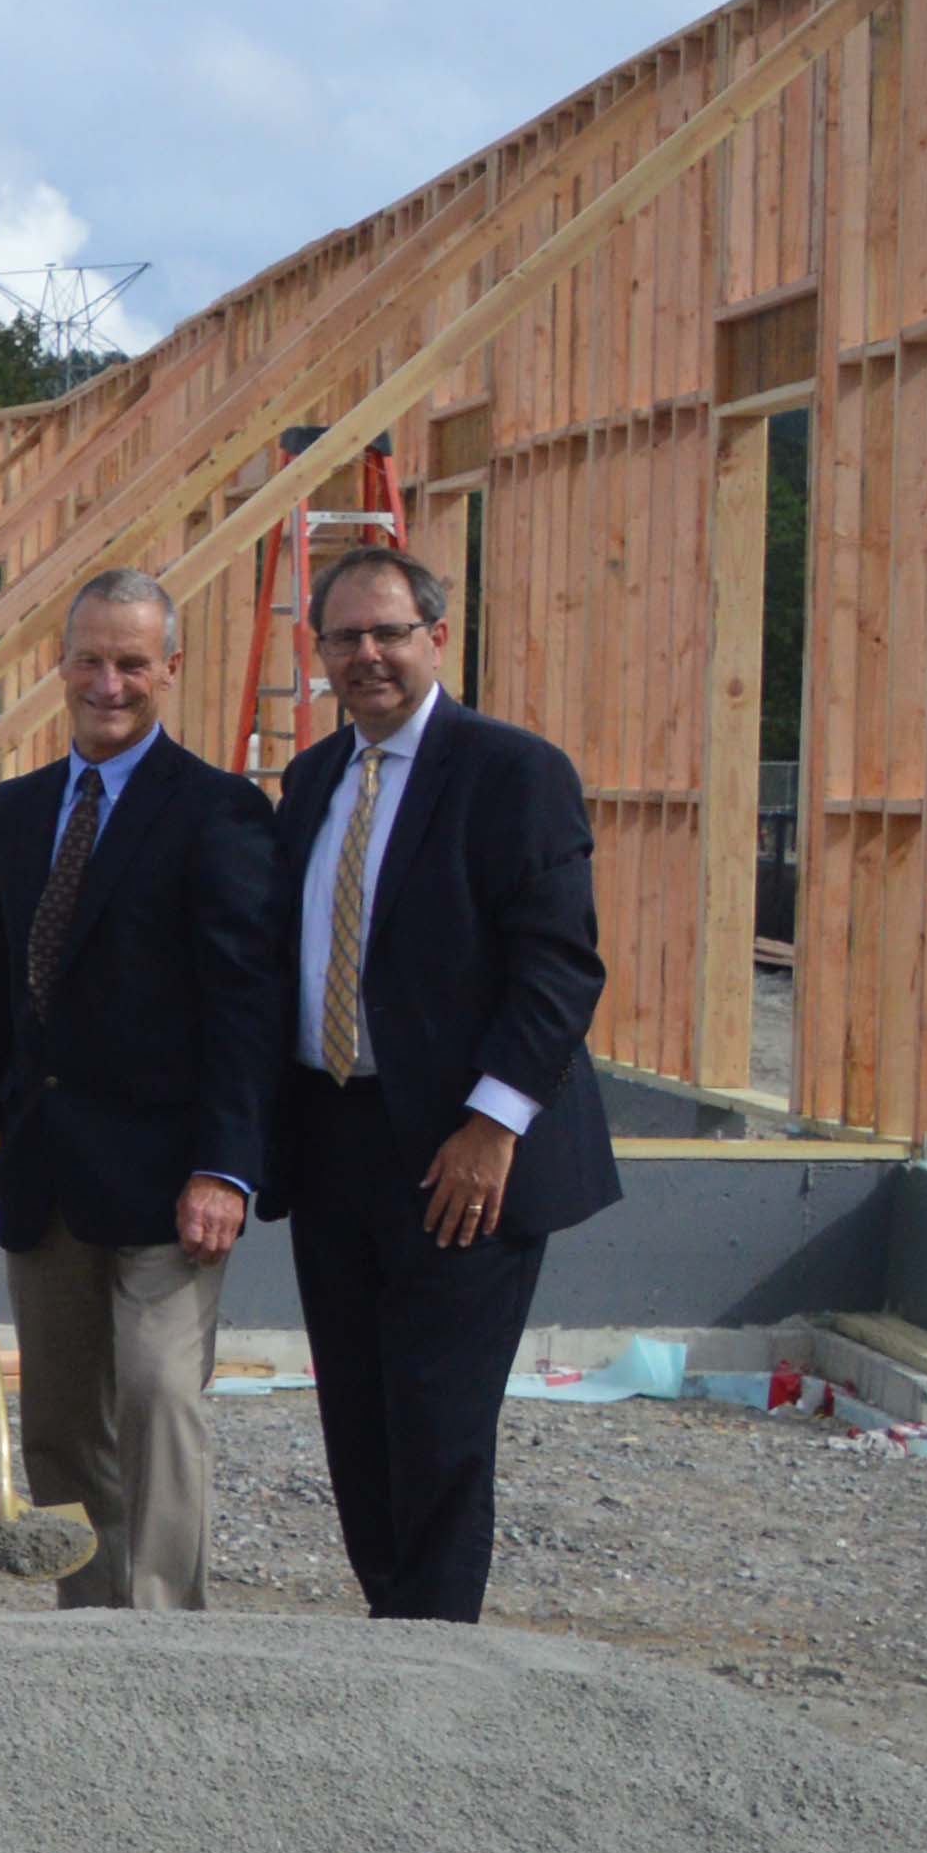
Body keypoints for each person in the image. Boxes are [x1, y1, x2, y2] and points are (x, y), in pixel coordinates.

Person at [271, 545, 615, 1624]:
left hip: (461, 1155)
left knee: (437, 1419)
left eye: (387, 633)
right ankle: (390, 1627)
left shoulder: (511, 771)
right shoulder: (314, 780)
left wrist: (490, 1124)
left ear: (434, 638)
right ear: (316, 650)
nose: (366, 655)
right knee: (359, 1414)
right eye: (344, 637)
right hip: (334, 1139)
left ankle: (434, 1656)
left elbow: (558, 964)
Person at [0, 567, 279, 1611]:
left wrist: (225, 1164)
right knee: (56, 1423)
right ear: (61, 665)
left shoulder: (218, 811)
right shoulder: (15, 813)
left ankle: (163, 1632)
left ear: (169, 670)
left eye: (131, 663)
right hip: (46, 1171)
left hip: (170, 1177)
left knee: (157, 1393)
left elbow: (242, 1001)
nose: (107, 682)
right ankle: (89, 1628)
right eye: (88, 659)